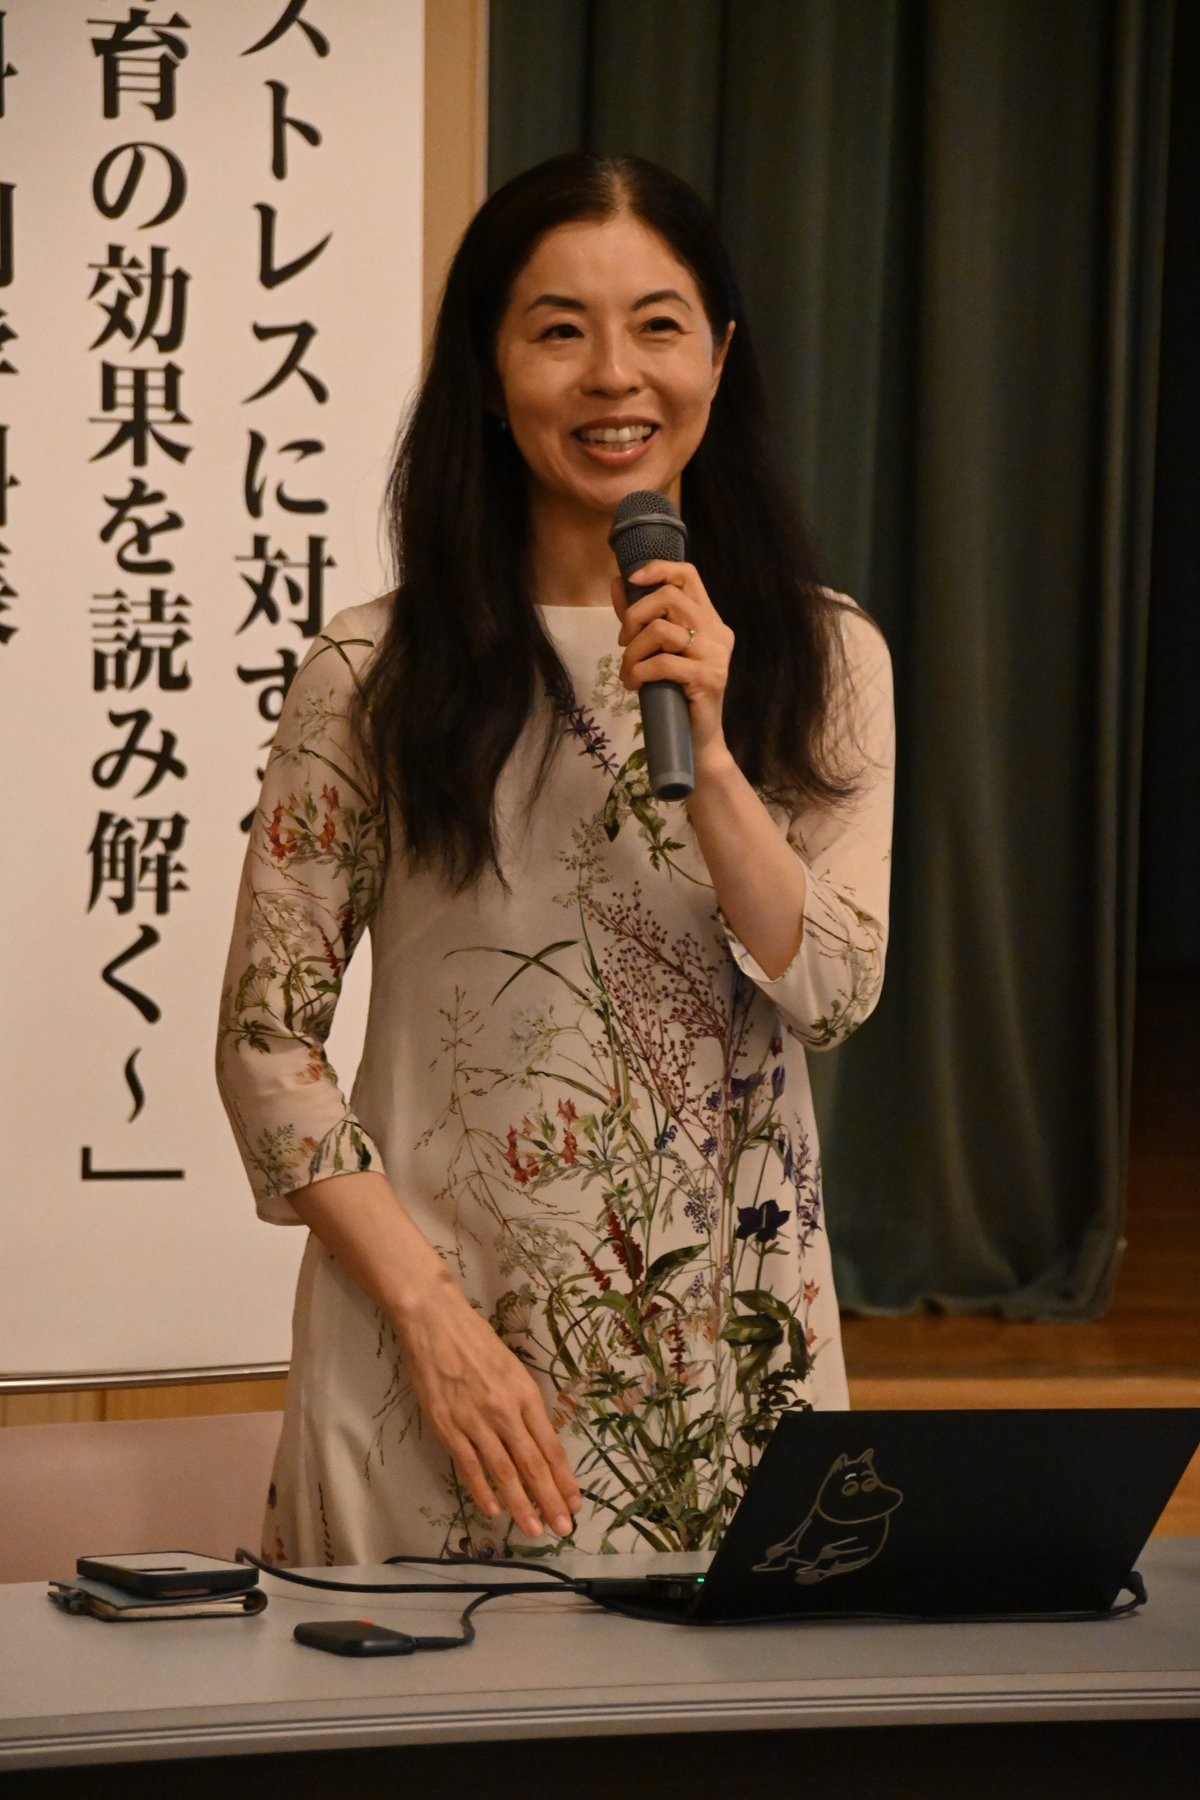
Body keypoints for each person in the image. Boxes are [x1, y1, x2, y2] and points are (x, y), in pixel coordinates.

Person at [216, 152, 894, 1565]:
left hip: (725, 1365)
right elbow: (267, 1047)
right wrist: (431, 1320)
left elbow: (833, 992)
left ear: (718, 356)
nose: (613, 376)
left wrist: (714, 759)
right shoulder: (372, 673)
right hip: (442, 1362)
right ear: (486, 367)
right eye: (559, 330)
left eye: (657, 326)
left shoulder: (826, 658)